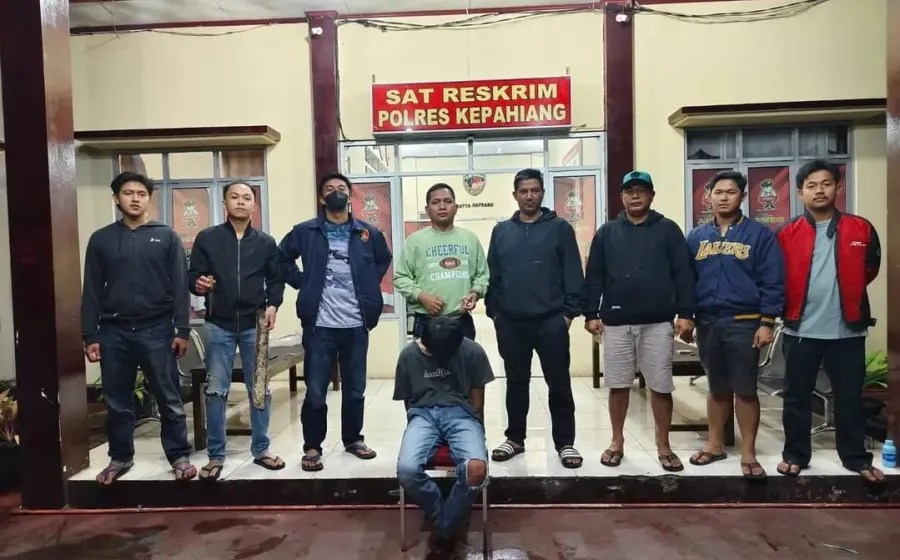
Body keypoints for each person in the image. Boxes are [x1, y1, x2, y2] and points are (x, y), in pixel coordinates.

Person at [81, 171, 196, 484]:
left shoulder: (167, 236)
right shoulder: (101, 239)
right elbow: (91, 289)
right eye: (128, 193)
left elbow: (180, 286)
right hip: (113, 331)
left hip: (157, 329)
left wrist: (182, 330)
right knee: (118, 402)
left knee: (169, 398)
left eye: (141, 194)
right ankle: (120, 458)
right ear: (116, 198)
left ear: (149, 199)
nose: (135, 198)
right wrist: (90, 334)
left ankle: (179, 456)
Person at [775, 160, 885, 483]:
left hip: (847, 331)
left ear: (838, 188)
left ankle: (855, 457)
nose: (819, 190)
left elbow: (870, 268)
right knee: (796, 398)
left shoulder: (861, 229)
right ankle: (795, 455)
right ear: (800, 193)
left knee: (850, 398)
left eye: (826, 183)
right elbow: (776, 276)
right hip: (800, 329)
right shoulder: (786, 233)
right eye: (811, 185)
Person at [278, 172, 392, 472]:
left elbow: (383, 259)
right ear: (321, 198)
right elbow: (281, 258)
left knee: (355, 390)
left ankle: (353, 439)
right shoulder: (305, 231)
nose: (336, 192)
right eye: (329, 189)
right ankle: (313, 446)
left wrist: (368, 283)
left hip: (356, 325)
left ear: (350, 196)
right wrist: (302, 281)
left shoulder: (367, 232)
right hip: (320, 326)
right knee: (316, 391)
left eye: (342, 188)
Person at [583, 170, 695, 473]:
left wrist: (686, 313)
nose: (635, 196)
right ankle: (617, 442)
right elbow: (594, 276)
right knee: (618, 384)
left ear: (651, 196)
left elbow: (684, 274)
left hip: (658, 323)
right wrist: (591, 313)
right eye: (629, 191)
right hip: (617, 322)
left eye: (641, 191)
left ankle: (664, 445)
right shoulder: (607, 232)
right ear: (622, 196)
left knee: (660, 386)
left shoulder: (668, 230)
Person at [686, 171, 785, 478]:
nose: (724, 197)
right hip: (708, 322)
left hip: (744, 323)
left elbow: (773, 280)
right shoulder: (696, 237)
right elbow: (686, 280)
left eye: (731, 192)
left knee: (744, 389)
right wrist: (686, 315)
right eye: (718, 192)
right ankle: (714, 445)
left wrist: (767, 322)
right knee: (716, 388)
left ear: (742, 197)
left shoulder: (760, 235)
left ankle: (748, 452)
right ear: (709, 197)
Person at [485, 168, 584, 469]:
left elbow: (573, 273)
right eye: (524, 191)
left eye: (535, 190)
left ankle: (565, 443)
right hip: (511, 322)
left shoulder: (560, 228)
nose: (529, 196)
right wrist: (496, 313)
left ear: (542, 192)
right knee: (516, 383)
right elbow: (493, 275)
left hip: (551, 321)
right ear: (515, 195)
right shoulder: (502, 231)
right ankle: (515, 438)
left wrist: (567, 314)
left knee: (559, 383)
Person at [188, 182, 286, 481]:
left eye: (246, 198)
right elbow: (193, 275)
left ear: (254, 206)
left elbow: (276, 279)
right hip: (219, 323)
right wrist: (198, 284)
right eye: (234, 197)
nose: (241, 202)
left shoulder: (266, 242)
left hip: (256, 323)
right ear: (224, 203)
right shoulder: (208, 238)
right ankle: (216, 455)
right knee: (216, 390)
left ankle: (261, 449)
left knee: (260, 388)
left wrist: (273, 305)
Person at [394, 316, 493, 556]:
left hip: (462, 414)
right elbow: (408, 402)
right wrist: (419, 421)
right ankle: (447, 521)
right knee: (407, 470)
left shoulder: (472, 351)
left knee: (476, 470)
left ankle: (444, 528)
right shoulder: (409, 355)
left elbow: (477, 401)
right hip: (423, 415)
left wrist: (476, 429)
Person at [394, 183, 489, 340]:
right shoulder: (415, 241)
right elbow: (400, 277)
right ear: (427, 209)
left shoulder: (470, 239)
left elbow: (482, 275)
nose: (442, 207)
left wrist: (475, 292)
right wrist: (421, 296)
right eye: (436, 202)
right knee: (425, 358)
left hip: (461, 321)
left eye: (448, 201)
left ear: (456, 207)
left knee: (464, 358)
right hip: (426, 321)